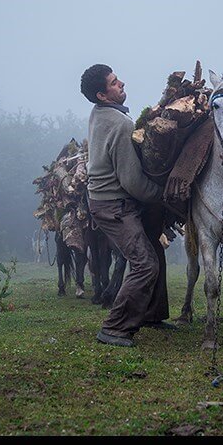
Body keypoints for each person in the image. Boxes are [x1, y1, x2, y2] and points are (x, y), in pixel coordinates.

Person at [80, 64, 174, 347]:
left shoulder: (100, 113)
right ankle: (114, 327)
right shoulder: (121, 125)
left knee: (154, 248)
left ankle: (152, 314)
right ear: (102, 95)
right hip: (114, 205)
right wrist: (163, 194)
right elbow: (132, 181)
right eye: (114, 83)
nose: (121, 84)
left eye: (117, 79)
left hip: (109, 200)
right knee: (144, 263)